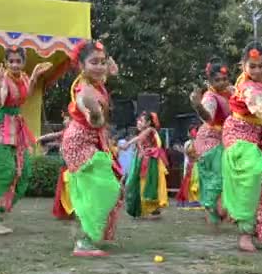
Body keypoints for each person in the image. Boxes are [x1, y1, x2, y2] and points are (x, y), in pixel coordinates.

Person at [221, 41, 262, 252]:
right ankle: (244, 234)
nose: (257, 71)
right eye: (252, 66)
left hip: (258, 134)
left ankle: (243, 213)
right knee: (252, 170)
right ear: (243, 66)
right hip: (238, 132)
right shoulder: (249, 87)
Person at [0, 46, 52, 234]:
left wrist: (35, 75)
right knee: (6, 169)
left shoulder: (23, 77)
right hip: (2, 127)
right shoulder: (3, 79)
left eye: (18, 61)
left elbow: (25, 97)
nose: (14, 64)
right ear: (6, 62)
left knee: (24, 171)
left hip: (17, 127)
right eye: (11, 61)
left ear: (23, 62)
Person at [61, 40, 121, 256]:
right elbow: (89, 115)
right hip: (79, 142)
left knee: (105, 188)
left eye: (102, 62)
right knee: (103, 188)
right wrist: (93, 113)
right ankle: (84, 241)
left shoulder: (97, 82)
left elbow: (109, 72)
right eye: (93, 62)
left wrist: (110, 66)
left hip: (93, 141)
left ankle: (89, 235)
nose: (99, 67)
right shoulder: (83, 90)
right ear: (81, 65)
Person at [189, 57, 233, 224]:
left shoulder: (230, 92)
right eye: (217, 80)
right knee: (216, 177)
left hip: (227, 138)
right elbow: (209, 117)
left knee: (225, 176)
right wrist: (198, 106)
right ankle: (213, 211)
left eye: (224, 79)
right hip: (210, 140)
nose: (222, 82)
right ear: (210, 81)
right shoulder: (210, 97)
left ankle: (220, 211)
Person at [122, 111, 169, 219]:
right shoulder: (144, 132)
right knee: (139, 183)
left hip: (149, 161)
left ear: (148, 123)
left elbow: (140, 138)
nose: (138, 122)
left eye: (141, 121)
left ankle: (150, 208)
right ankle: (146, 208)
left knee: (146, 183)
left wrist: (127, 144)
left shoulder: (150, 130)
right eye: (138, 120)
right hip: (141, 160)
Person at [37, 111, 73, 220]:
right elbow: (55, 136)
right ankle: (66, 211)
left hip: (71, 166)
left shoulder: (74, 132)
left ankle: (71, 211)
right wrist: (42, 138)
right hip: (65, 165)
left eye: (66, 119)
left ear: (71, 120)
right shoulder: (66, 131)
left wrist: (43, 139)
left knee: (68, 189)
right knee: (64, 189)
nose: (63, 121)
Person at [175, 128, 201, 207]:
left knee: (194, 181)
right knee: (188, 181)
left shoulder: (199, 143)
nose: (188, 134)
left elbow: (196, 154)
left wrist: (182, 150)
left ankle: (196, 199)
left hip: (196, 165)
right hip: (190, 165)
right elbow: (187, 155)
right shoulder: (188, 143)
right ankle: (191, 199)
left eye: (190, 132)